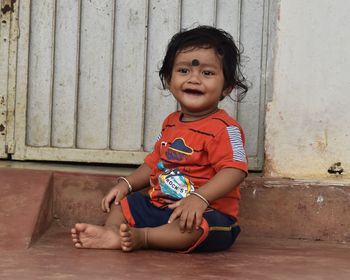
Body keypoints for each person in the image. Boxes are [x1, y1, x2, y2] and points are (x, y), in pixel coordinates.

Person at [71, 25, 248, 253]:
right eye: (184, 71)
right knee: (126, 203)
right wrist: (127, 183)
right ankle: (113, 233)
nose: (194, 79)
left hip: (207, 212)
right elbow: (155, 162)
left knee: (195, 227)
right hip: (161, 208)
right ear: (167, 78)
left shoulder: (225, 128)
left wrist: (200, 198)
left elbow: (235, 170)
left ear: (227, 87)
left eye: (207, 73)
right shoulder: (171, 123)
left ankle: (144, 237)